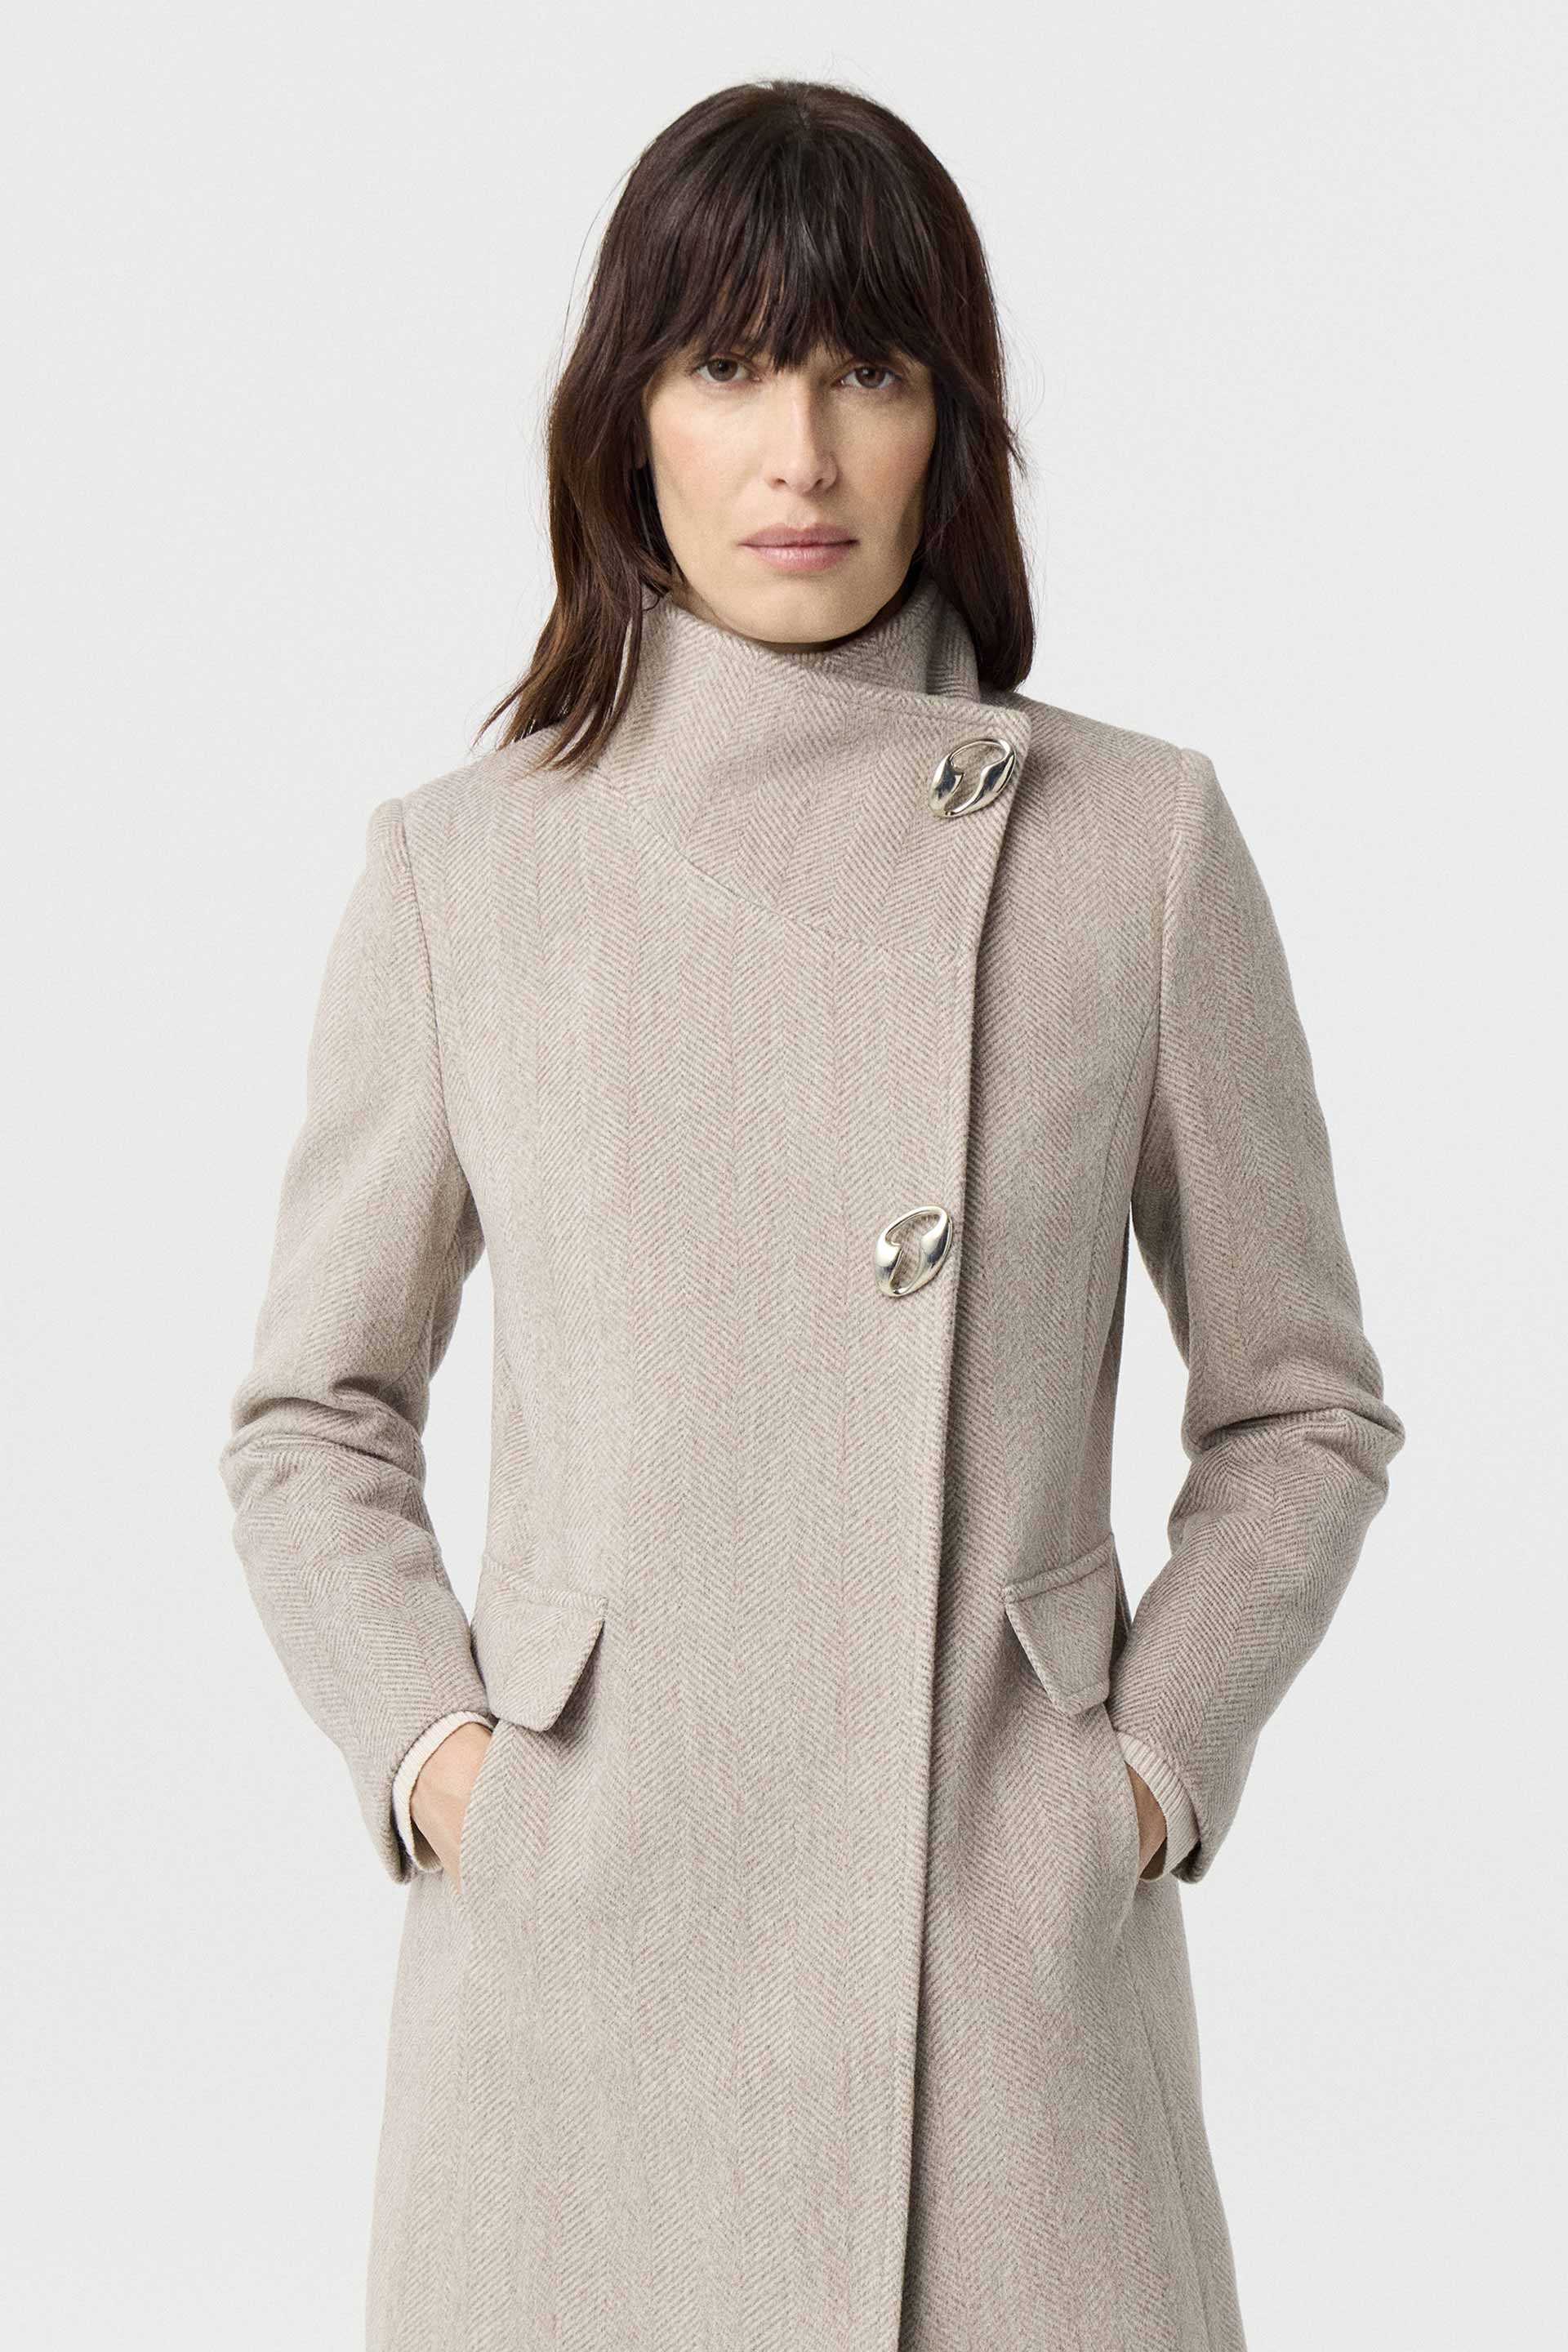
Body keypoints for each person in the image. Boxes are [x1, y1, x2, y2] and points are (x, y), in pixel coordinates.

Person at [219, 77, 1405, 2352]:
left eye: (870, 370)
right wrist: (446, 1764)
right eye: (729, 364)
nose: (801, 453)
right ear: (627, 420)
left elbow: (1302, 1411)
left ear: (952, 426)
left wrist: (1142, 1775)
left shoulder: (1136, 849)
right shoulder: (466, 874)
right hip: (579, 1981)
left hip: (999, 1972)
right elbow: (312, 1416)